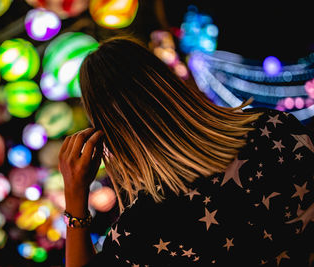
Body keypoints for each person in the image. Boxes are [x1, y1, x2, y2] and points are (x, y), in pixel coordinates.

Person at [58, 36, 314, 267]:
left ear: (107, 134)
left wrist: (75, 195)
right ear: (171, 84)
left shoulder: (139, 234)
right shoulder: (272, 128)